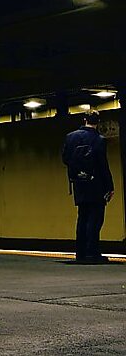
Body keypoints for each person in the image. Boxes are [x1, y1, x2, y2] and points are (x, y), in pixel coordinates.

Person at [62, 110, 115, 264]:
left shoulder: (70, 137)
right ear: (97, 122)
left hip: (78, 183)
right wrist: (109, 186)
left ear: (84, 119)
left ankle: (81, 253)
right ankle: (93, 253)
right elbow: (103, 165)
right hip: (96, 184)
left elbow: (65, 158)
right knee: (95, 219)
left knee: (82, 217)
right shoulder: (99, 140)